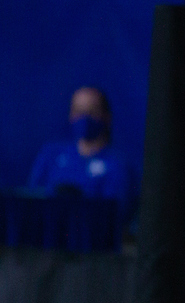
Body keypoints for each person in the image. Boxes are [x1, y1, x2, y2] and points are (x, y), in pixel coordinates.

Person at [28, 86, 139, 234]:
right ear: (71, 115)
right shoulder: (50, 155)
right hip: (49, 243)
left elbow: (116, 216)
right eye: (79, 111)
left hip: (93, 247)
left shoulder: (118, 166)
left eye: (92, 111)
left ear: (106, 116)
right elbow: (32, 200)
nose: (84, 117)